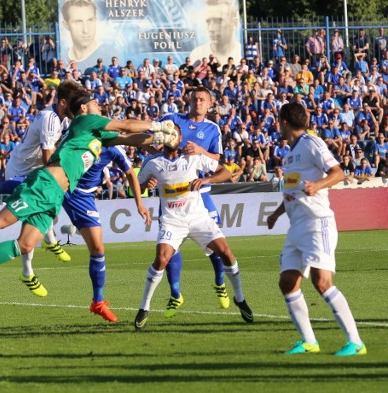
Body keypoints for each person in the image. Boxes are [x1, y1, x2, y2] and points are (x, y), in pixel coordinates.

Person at [0, 91, 176, 298]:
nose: (99, 104)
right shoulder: (84, 122)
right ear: (84, 109)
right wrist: (158, 125)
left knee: (24, 245)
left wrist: (161, 136)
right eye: (95, 102)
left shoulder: (97, 134)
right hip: (45, 184)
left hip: (56, 195)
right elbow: (125, 124)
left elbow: (130, 138)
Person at [267, 102, 366, 356]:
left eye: (279, 121)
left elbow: (338, 173)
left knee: (322, 282)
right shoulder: (290, 154)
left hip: (316, 222)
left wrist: (318, 186)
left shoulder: (312, 143)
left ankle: (355, 342)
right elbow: (292, 190)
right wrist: (277, 214)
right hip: (296, 226)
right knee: (287, 282)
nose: (278, 125)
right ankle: (309, 341)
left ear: (284, 121)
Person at [133, 128, 252, 329]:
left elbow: (225, 171)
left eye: (175, 134)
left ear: (180, 138)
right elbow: (135, 187)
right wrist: (145, 185)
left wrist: (207, 179)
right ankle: (144, 307)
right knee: (161, 259)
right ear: (164, 138)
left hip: (198, 218)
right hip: (172, 220)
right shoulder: (153, 162)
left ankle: (239, 298)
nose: (172, 137)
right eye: (168, 134)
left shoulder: (193, 157)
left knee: (226, 252)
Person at [0, 81, 87, 264]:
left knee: (37, 218)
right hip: (21, 170)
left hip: (33, 169)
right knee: (30, 221)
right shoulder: (50, 118)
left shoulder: (63, 118)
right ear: (63, 102)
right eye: (73, 101)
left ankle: (41, 252)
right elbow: (48, 157)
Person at [158, 87, 237, 317]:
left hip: (200, 192)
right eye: (195, 99)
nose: (198, 103)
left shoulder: (212, 129)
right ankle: (175, 294)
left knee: (214, 238)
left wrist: (200, 150)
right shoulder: (172, 119)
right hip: (173, 193)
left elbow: (218, 161)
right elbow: (154, 144)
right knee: (170, 247)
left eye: (203, 100)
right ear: (189, 101)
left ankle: (220, 283)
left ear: (210, 103)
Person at [62, 145, 150, 322]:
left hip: (83, 196)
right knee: (22, 223)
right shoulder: (77, 134)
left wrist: (139, 204)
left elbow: (130, 174)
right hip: (61, 185)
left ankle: (98, 302)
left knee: (97, 248)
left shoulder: (113, 148)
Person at [189, 0, 242, 66]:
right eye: (208, 22)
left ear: (234, 23)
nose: (211, 29)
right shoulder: (197, 55)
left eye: (218, 21)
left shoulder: (241, 51)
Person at [62, 0, 101, 65]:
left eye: (90, 20)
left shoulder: (109, 51)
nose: (85, 30)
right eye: (78, 22)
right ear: (66, 25)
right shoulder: (64, 55)